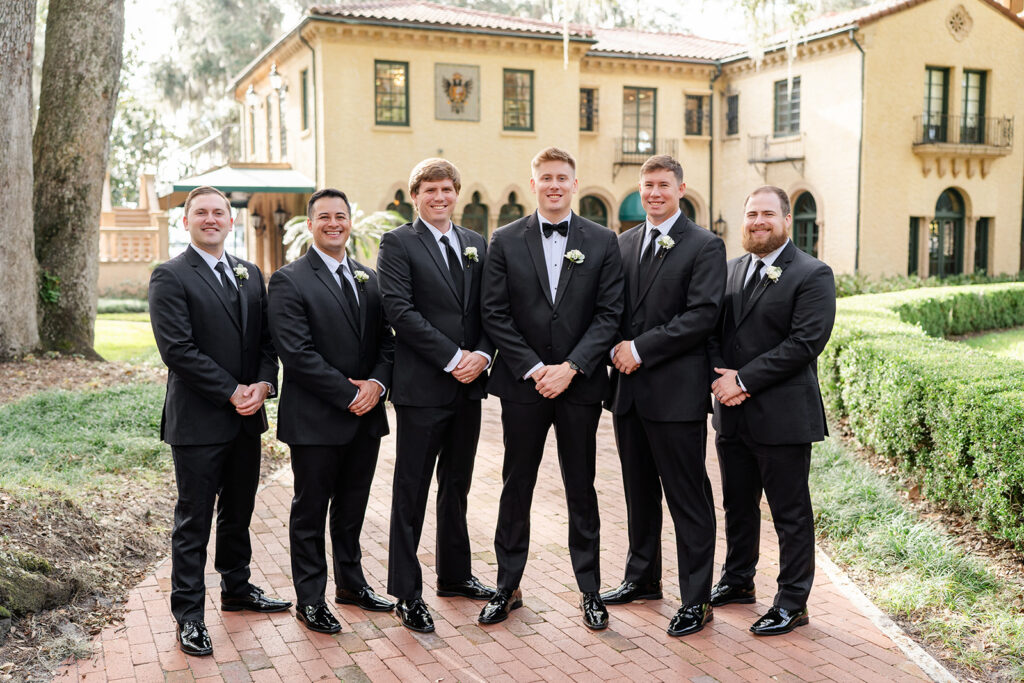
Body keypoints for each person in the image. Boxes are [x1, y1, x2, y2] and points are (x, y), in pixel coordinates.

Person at [479, 147, 624, 630]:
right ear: (533, 182)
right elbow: (494, 313)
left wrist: (574, 367)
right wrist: (536, 367)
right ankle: (506, 586)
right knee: (516, 485)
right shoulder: (503, 239)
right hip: (524, 386)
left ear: (575, 183)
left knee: (581, 487)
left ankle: (590, 591)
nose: (555, 185)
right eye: (546, 178)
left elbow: (609, 315)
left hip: (579, 387)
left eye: (563, 177)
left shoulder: (604, 241)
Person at [149, 186, 290, 657]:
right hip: (198, 421)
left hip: (247, 418)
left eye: (219, 213)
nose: (211, 219)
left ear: (230, 222)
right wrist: (232, 391)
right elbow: (178, 350)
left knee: (239, 513)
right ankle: (188, 616)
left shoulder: (250, 274)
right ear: (186, 221)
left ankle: (237, 589)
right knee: (194, 521)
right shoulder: (169, 276)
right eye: (201, 213)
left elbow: (267, 343)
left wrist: (263, 386)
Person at [600, 155, 726, 637]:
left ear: (681, 189)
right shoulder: (623, 243)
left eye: (663, 185)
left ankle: (696, 599)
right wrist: (609, 347)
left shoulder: (705, 245)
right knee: (638, 493)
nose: (654, 193)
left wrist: (640, 348)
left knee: (687, 497)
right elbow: (611, 308)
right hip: (628, 394)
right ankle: (642, 578)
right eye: (648, 185)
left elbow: (701, 316)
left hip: (675, 395)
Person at [708, 185, 836, 636]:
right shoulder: (729, 270)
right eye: (750, 214)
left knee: (790, 513)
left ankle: (792, 601)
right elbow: (709, 332)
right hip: (732, 414)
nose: (757, 222)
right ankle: (739, 581)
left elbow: (804, 343)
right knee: (738, 506)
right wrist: (720, 380)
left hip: (782, 416)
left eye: (767, 214)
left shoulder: (812, 273)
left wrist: (741, 381)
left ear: (785, 220)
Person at [377, 158, 496, 634]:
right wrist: (453, 358)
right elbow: (399, 311)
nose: (440, 197)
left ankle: (455, 574)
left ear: (457, 193)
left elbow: (492, 309)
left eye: (447, 189)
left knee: (457, 486)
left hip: (470, 388)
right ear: (416, 196)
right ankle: (407, 593)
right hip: (424, 388)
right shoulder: (398, 243)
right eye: (430, 189)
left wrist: (483, 356)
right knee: (412, 491)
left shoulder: (475, 244)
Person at [267, 188, 395, 634]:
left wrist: (377, 385)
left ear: (350, 223)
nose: (334, 223)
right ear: (310, 224)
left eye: (341, 216)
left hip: (366, 415)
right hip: (317, 419)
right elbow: (296, 353)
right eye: (325, 217)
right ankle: (310, 599)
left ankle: (352, 584)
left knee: (352, 508)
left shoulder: (369, 277)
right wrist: (348, 393)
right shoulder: (289, 280)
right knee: (310, 510)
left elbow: (386, 342)